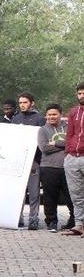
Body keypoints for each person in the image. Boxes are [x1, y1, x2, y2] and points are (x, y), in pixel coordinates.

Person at [12, 92, 46, 230]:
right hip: (18, 160)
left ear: (32, 103)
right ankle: (17, 218)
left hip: (34, 161)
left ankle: (33, 220)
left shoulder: (40, 119)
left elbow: (42, 141)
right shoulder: (16, 119)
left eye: (25, 102)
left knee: (34, 192)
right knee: (18, 192)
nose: (22, 105)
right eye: (20, 103)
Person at [37, 104, 73, 232]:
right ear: (46, 116)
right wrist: (65, 145)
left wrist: (55, 143)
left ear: (60, 115)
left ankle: (73, 221)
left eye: (54, 114)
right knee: (50, 196)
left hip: (67, 167)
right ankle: (52, 222)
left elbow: (72, 143)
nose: (52, 117)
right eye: (49, 114)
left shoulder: (69, 128)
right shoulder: (42, 130)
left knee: (71, 196)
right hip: (48, 167)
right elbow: (44, 148)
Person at [63, 82, 84, 237]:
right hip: (72, 158)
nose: (81, 96)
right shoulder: (74, 112)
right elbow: (69, 134)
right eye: (79, 93)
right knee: (76, 194)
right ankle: (79, 225)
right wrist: (68, 152)